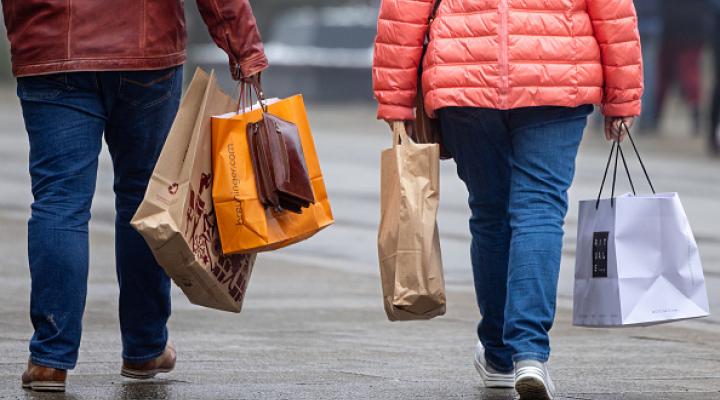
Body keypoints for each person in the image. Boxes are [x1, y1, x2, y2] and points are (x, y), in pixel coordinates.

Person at [373, 1, 642, 399]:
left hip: (464, 76)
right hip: (556, 74)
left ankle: (499, 355)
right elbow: (613, 9)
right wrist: (623, 97)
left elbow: (404, 9)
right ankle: (529, 353)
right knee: (540, 210)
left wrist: (395, 100)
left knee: (489, 212)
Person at [1, 0, 267, 392]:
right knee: (144, 199)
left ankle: (49, 359)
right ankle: (145, 348)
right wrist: (242, 47)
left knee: (59, 201)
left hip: (51, 47)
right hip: (146, 50)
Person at [657, 0, 708, 134]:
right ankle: (695, 111)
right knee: (690, 74)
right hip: (693, 28)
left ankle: (654, 117)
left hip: (672, 28)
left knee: (664, 76)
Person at [635, 0, 663, 133]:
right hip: (652, 21)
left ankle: (602, 114)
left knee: (617, 67)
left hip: (628, 19)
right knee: (648, 73)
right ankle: (646, 117)